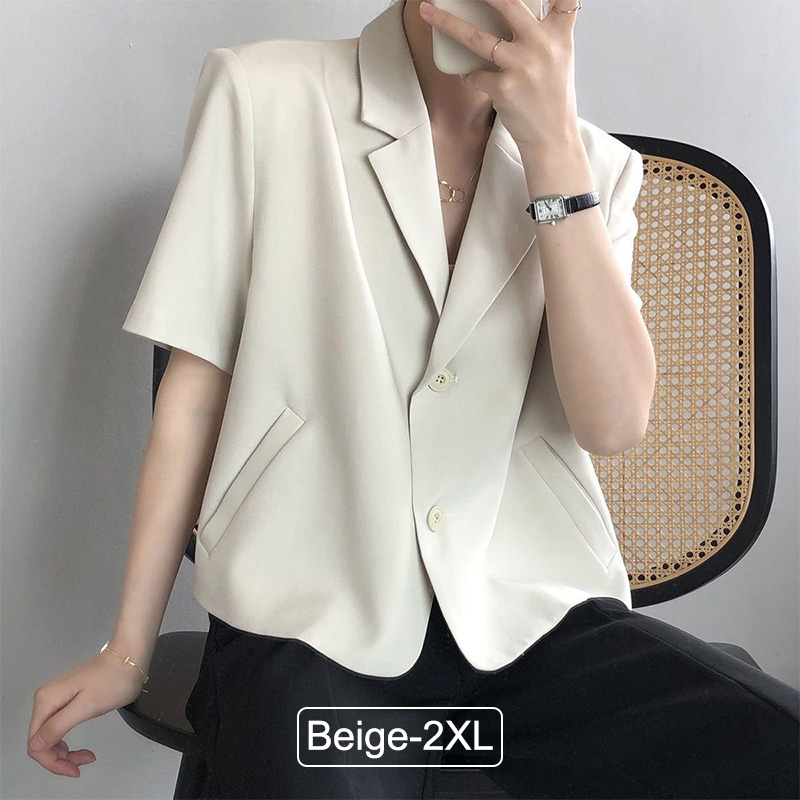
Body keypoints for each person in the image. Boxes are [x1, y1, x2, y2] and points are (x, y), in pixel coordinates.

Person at [27, 1, 800, 797]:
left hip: (525, 623)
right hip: (312, 623)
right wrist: (127, 651)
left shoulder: (598, 166)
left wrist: (552, 152)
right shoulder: (264, 94)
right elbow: (194, 397)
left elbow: (611, 423)